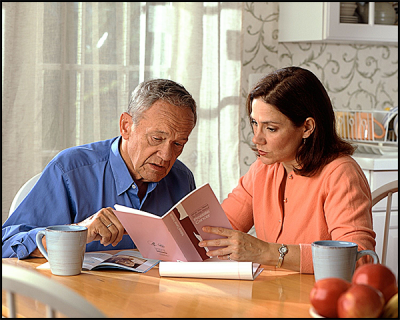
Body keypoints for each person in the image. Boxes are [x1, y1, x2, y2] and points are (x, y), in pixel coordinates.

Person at [198, 66, 376, 274]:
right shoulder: (262, 169)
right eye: (255, 123)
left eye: (271, 128)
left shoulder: (340, 174)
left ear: (307, 128)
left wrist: (266, 252)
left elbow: (358, 259)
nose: (257, 138)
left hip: (315, 300)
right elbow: (219, 231)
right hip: (270, 296)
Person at [2, 79, 197, 259]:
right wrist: (78, 232)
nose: (166, 156)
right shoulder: (69, 169)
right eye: (156, 139)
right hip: (78, 295)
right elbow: (7, 245)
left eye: (179, 144)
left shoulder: (182, 178)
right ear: (126, 126)